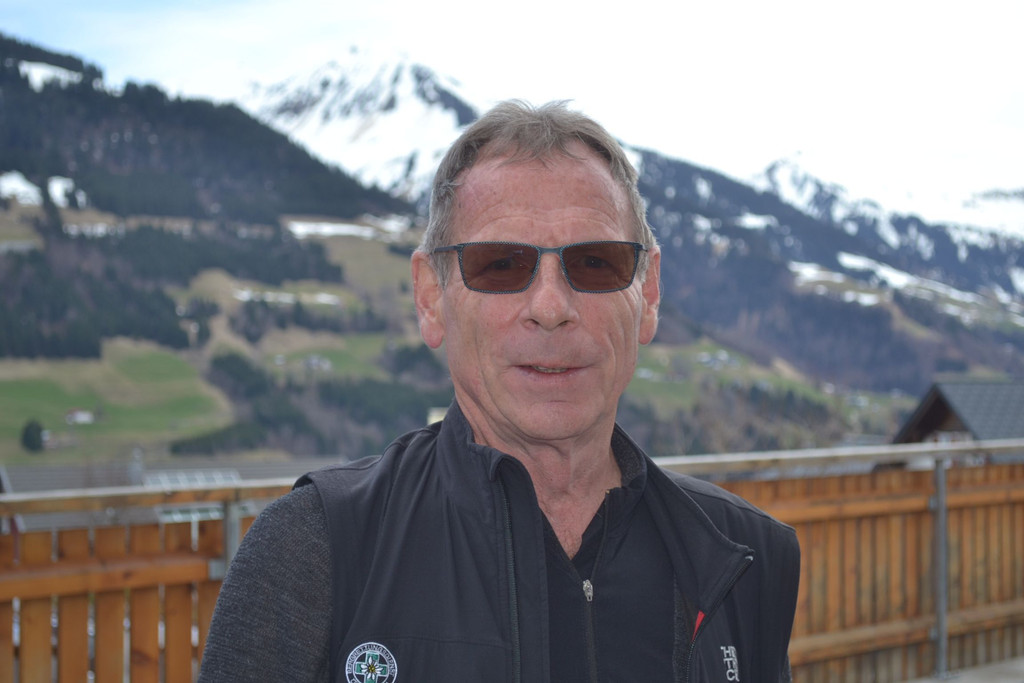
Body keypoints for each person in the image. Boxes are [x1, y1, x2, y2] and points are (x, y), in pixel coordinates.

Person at [199, 100, 800, 682]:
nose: (551, 307)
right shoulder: (318, 550)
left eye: (595, 263)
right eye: (501, 266)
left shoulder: (742, 557)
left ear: (648, 295)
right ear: (431, 298)